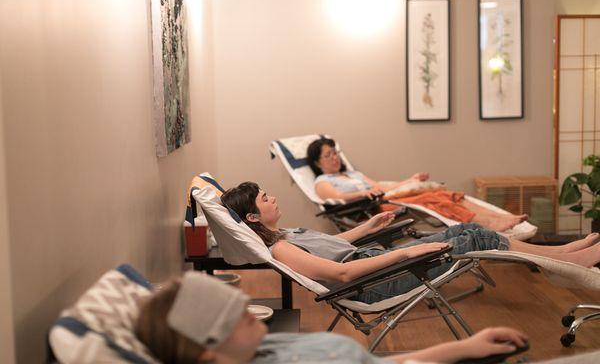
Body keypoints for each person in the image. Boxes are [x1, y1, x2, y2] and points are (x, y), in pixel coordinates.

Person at [220, 181, 600, 304]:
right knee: (474, 237)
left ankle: (561, 255)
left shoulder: (285, 235)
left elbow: (336, 246)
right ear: (252, 217)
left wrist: (367, 226)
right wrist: (410, 250)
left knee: (464, 235)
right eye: (264, 199)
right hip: (373, 283)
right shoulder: (279, 248)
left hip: (376, 262)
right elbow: (343, 270)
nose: (272, 199)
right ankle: (564, 259)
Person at [135, 271, 530, 364]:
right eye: (231, 315)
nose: (247, 309)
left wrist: (464, 347)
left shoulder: (262, 347)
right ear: (207, 353)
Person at [305, 137, 528, 233]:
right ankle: (487, 222)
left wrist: (411, 180)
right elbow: (337, 198)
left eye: (335, 152)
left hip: (384, 199)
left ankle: (494, 218)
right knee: (431, 199)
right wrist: (364, 193)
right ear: (317, 162)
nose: (334, 157)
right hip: (369, 211)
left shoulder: (353, 173)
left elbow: (382, 188)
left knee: (442, 193)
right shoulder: (322, 182)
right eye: (328, 155)